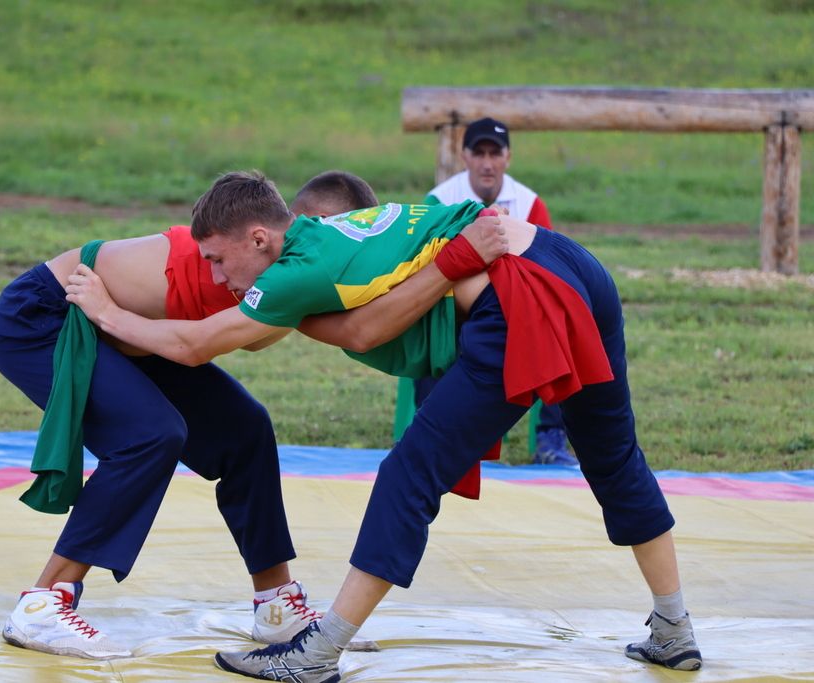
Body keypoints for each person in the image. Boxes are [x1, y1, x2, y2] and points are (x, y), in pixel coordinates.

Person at [64, 171, 703, 676]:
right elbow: (345, 324)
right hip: (575, 266)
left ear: (261, 238)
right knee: (613, 456)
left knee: (407, 473)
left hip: (515, 296)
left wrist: (110, 316)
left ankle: (315, 654)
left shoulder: (296, 269)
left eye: (217, 260)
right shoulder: (345, 235)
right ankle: (674, 629)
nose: (214, 275)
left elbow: (200, 343)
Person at [0, 171, 378, 659]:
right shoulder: (231, 259)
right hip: (47, 318)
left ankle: (276, 607)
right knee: (150, 434)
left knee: (245, 431)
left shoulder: (286, 272)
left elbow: (284, 337)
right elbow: (187, 347)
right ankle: (43, 605)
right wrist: (107, 314)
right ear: (293, 228)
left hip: (129, 334)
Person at [399, 116, 576, 466]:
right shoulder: (440, 199)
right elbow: (422, 261)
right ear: (464, 156)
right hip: (453, 301)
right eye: (478, 153)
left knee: (560, 331)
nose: (486, 162)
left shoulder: (529, 204)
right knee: (431, 332)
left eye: (494, 153)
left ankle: (551, 437)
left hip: (513, 305)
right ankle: (429, 435)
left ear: (508, 158)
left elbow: (548, 268)